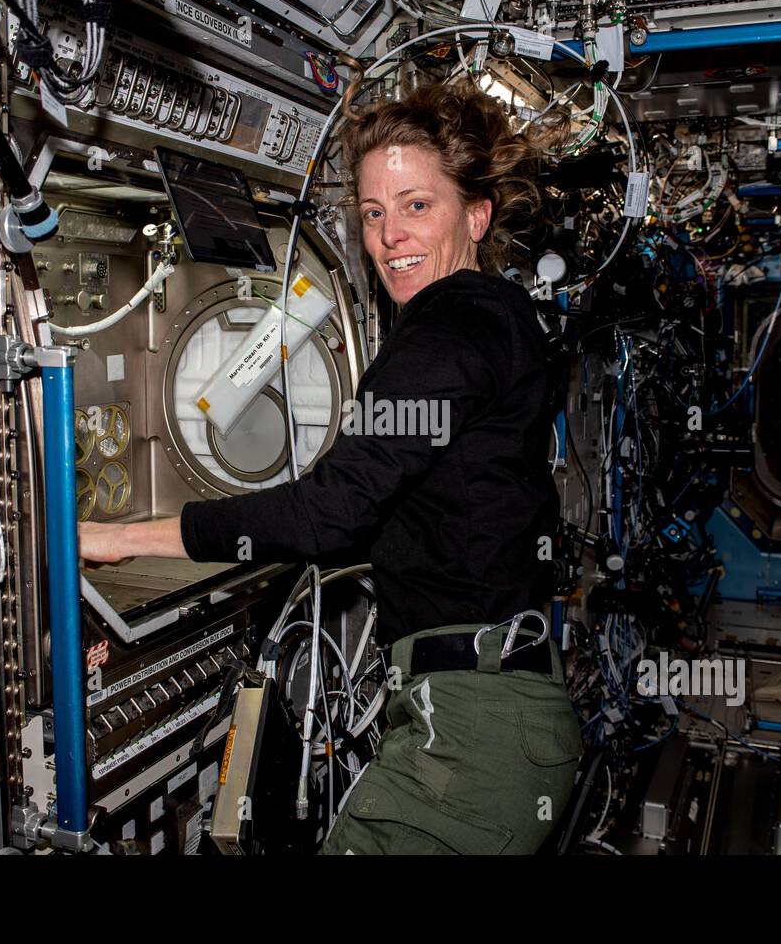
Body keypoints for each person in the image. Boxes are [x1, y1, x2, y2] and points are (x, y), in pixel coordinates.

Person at [79, 77, 582, 854]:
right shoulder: (499, 316)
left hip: (474, 737)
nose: (390, 237)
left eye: (418, 206)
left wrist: (119, 540)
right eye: (375, 214)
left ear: (476, 216)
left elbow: (329, 514)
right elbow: (377, 506)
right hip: (488, 710)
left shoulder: (449, 326)